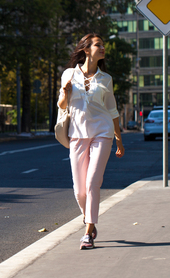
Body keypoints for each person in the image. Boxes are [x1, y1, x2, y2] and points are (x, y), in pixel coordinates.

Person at [57, 33, 125, 250]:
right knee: (80, 190)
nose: (102, 48)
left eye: (103, 45)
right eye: (98, 45)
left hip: (102, 134)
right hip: (77, 134)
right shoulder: (69, 74)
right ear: (86, 50)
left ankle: (88, 232)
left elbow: (113, 111)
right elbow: (61, 105)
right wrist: (66, 93)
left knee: (93, 182)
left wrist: (119, 140)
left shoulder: (106, 79)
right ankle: (89, 217)